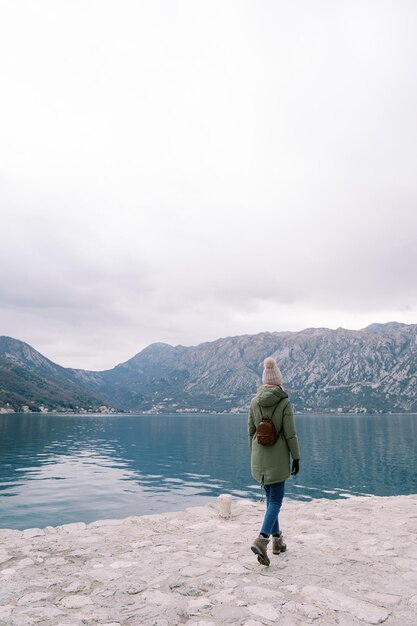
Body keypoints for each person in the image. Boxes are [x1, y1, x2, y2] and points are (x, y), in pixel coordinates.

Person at [248, 356, 300, 566]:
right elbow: (290, 435)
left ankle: (278, 541)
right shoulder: (284, 402)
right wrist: (296, 457)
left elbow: (250, 432)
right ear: (279, 380)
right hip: (277, 459)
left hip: (258, 457)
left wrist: (254, 454)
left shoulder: (254, 401)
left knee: (271, 501)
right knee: (276, 501)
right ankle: (263, 539)